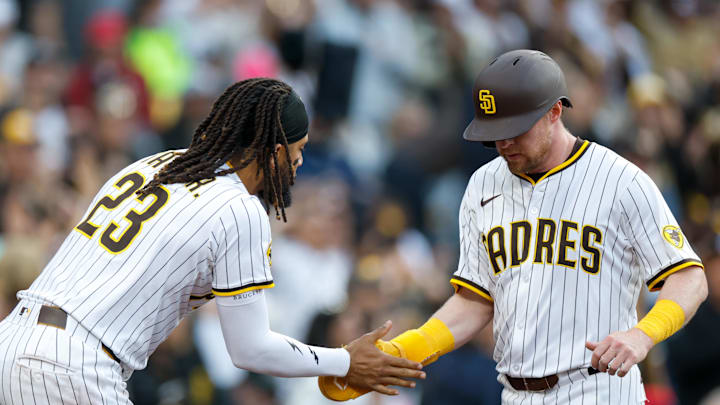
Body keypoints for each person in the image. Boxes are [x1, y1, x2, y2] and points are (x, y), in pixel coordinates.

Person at [0, 78, 424, 404]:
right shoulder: (239, 208)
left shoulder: (153, 163)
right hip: (71, 365)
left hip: (14, 341)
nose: (299, 164)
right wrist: (346, 360)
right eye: (298, 150)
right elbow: (251, 349)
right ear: (274, 151)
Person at [319, 49, 708, 404]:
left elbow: (690, 278)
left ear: (555, 111)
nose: (503, 142)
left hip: (599, 390)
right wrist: (407, 349)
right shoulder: (483, 185)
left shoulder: (621, 180)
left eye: (515, 128)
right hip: (516, 392)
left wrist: (644, 334)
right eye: (493, 132)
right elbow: (475, 300)